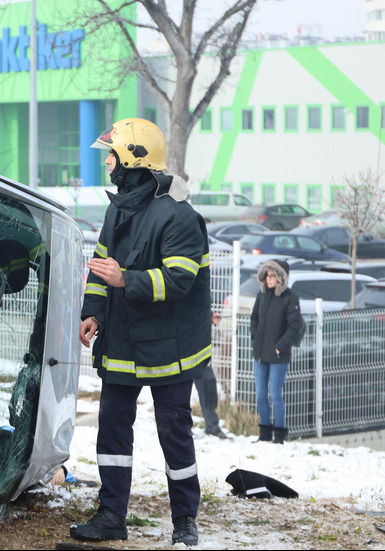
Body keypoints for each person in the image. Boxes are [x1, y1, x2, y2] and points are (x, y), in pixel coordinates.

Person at [69, 118, 211, 547]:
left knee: (174, 434)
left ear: (132, 159)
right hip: (122, 344)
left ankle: (185, 520)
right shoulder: (118, 208)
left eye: (111, 154)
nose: (107, 161)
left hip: (171, 349)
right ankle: (111, 515)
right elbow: (100, 265)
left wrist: (124, 280)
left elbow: (180, 281)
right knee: (112, 431)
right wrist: (92, 310)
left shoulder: (179, 216)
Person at [250, 259, 304, 445]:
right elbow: (254, 318)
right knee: (260, 394)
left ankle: (279, 435)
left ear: (280, 278)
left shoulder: (290, 298)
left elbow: (294, 326)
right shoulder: (262, 295)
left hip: (278, 356)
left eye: (273, 275)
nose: (269, 279)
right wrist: (255, 337)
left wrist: (279, 346)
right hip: (260, 353)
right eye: (267, 275)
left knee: (275, 394)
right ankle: (264, 433)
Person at [195, 311, 228, 439]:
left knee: (208, 382)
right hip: (180, 348)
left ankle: (212, 427)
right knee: (181, 394)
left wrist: (210, 316)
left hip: (197, 350)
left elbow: (197, 306)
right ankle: (182, 427)